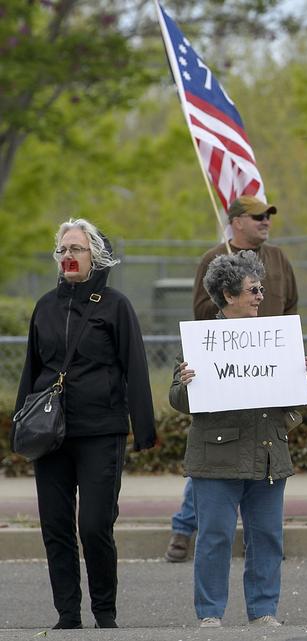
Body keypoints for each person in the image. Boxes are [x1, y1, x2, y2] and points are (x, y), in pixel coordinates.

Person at [16, 219, 156, 629]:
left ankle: (104, 613)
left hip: (101, 430)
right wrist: (19, 427)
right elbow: (32, 368)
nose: (68, 257)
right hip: (49, 434)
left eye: (76, 249)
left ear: (94, 254)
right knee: (55, 526)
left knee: (94, 525)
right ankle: (67, 614)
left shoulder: (114, 304)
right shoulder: (44, 306)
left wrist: (142, 429)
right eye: (63, 250)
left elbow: (135, 367)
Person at [169, 251, 307, 628]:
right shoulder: (201, 340)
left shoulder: (277, 337)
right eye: (253, 289)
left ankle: (264, 611)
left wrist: (296, 376)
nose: (261, 295)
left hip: (267, 456)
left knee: (267, 538)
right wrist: (185, 382)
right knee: (214, 538)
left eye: (261, 288)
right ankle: (210, 614)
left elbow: (294, 407)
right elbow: (179, 401)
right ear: (229, 295)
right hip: (216, 457)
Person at [167, 195, 300, 564]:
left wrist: (280, 353)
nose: (265, 222)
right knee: (218, 457)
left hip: (267, 386)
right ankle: (184, 526)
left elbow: (290, 310)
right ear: (237, 221)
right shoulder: (213, 257)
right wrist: (232, 315)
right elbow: (200, 312)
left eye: (268, 216)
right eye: (258, 216)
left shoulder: (279, 259)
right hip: (224, 380)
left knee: (255, 460)